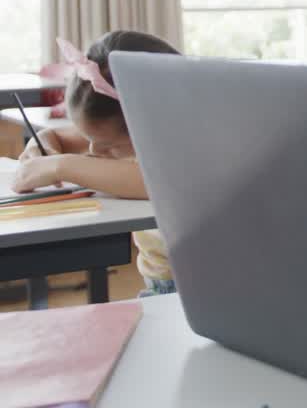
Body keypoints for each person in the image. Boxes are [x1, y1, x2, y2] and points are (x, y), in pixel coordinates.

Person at [13, 31, 182, 297]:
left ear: (153, 121)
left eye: (109, 145)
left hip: (199, 291)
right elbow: (57, 136)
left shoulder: (188, 153)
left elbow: (153, 181)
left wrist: (62, 165)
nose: (93, 149)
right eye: (91, 139)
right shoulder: (128, 131)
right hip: (157, 284)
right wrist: (41, 145)